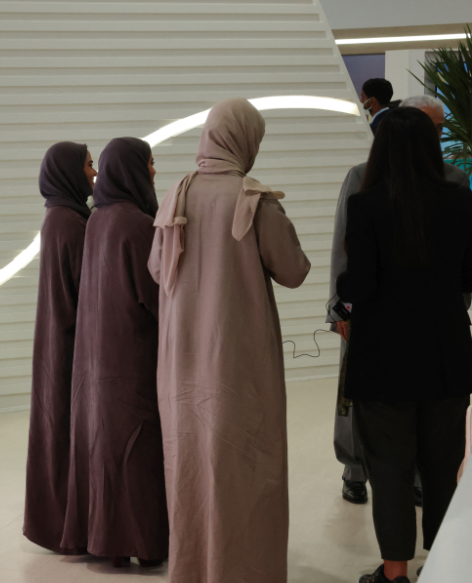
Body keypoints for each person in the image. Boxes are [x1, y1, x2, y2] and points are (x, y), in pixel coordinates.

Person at [149, 98, 311, 583]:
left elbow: (158, 269)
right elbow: (294, 271)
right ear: (245, 140)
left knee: (189, 466)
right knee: (247, 467)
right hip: (240, 364)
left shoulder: (176, 194)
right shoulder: (253, 199)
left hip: (182, 362)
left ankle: (194, 570)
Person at [336, 107, 472, 583]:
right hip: (447, 356)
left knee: (389, 470)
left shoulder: (367, 205)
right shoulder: (460, 202)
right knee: (443, 466)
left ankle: (395, 573)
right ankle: (443, 565)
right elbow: (468, 277)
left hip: (383, 360)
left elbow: (359, 286)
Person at [61, 137, 169, 567]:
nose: (155, 172)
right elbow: (156, 297)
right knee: (137, 454)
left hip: (97, 361)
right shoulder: (139, 226)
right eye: (150, 163)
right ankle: (143, 544)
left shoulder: (97, 220)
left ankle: (106, 540)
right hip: (131, 358)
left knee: (106, 452)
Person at [23, 142, 96, 554]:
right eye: (88, 164)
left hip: (58, 340)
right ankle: (68, 527)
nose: (94, 173)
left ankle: (61, 524)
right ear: (68, 171)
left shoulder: (61, 217)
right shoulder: (70, 223)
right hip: (68, 344)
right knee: (67, 433)